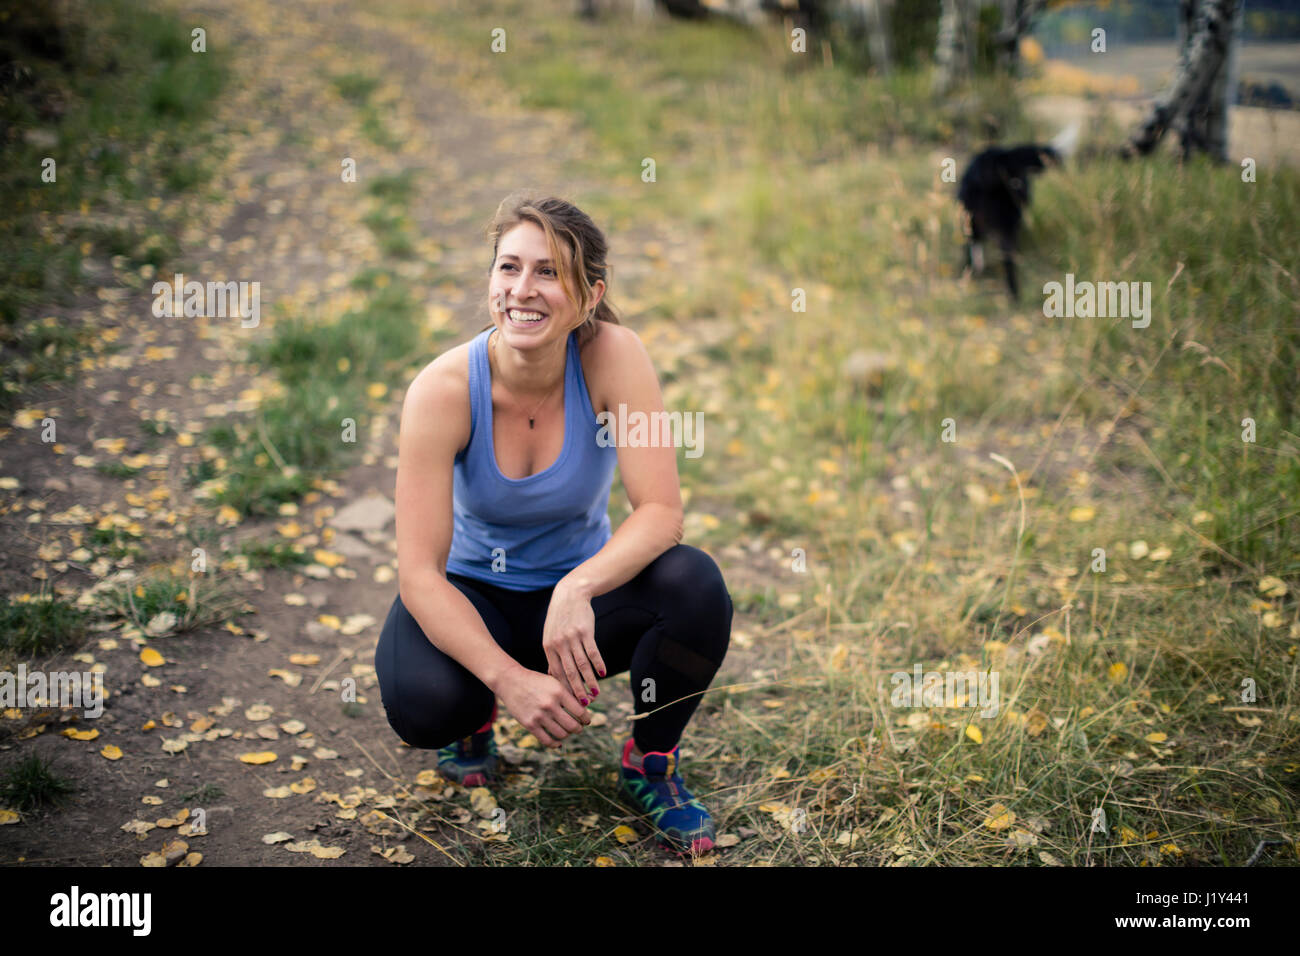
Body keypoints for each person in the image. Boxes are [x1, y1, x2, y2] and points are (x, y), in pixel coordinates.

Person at [374, 192, 734, 855]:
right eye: (509, 268)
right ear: (491, 280)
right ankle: (474, 712)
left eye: (549, 272)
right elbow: (418, 576)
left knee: (696, 586)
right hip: (473, 598)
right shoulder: (442, 390)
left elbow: (661, 512)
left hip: (577, 607)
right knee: (423, 705)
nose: (523, 289)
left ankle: (650, 760)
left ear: (590, 295)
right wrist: (506, 680)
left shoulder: (615, 356)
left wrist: (578, 589)